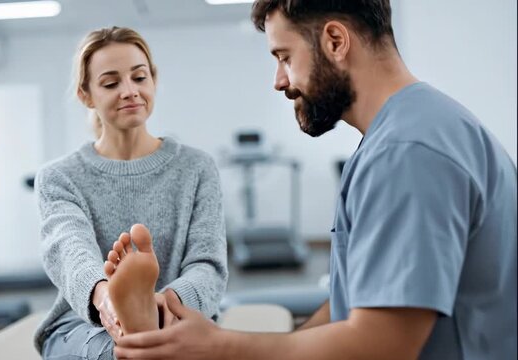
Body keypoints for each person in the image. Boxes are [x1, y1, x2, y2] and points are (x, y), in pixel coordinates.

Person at [113, 1, 518, 359]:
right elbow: (358, 304)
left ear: (335, 41)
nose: (280, 80)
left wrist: (219, 348)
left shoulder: (406, 152)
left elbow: (383, 344)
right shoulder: (416, 130)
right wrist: (224, 338)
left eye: (284, 56)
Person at [33, 26, 228, 360]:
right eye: (111, 83)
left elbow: (207, 265)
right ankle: (137, 332)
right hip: (85, 325)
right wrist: (108, 300)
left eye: (139, 78)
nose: (129, 91)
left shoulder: (196, 168)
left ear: (153, 80)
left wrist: (164, 304)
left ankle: (144, 327)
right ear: (86, 95)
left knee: (152, 344)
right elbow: (71, 250)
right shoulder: (59, 178)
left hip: (178, 316)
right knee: (117, 349)